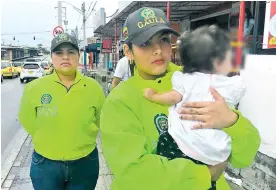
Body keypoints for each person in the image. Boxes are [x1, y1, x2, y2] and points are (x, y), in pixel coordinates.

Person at [100, 7, 260, 190]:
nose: (158, 50)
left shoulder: (196, 78)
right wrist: (205, 175)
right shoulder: (120, 101)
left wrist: (232, 121)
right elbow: (132, 171)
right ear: (128, 51)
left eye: (164, 40)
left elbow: (244, 156)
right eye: (145, 43)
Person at [143, 26, 246, 181]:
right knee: (214, 171)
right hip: (211, 147)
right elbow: (239, 88)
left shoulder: (184, 79)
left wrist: (154, 96)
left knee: (168, 161)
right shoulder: (222, 83)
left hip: (179, 142)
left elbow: (172, 97)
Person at [19, 33, 105, 190]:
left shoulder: (94, 88)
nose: (65, 57)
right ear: (51, 57)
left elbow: (101, 120)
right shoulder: (34, 88)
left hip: (85, 163)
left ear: (79, 56)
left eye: (71, 52)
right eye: (59, 53)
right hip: (46, 164)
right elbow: (27, 120)